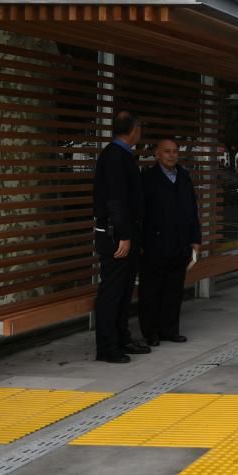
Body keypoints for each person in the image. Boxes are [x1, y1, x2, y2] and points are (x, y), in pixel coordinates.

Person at [93, 111, 151, 363]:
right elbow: (115, 201)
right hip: (115, 236)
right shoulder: (115, 157)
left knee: (125, 289)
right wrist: (125, 236)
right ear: (134, 130)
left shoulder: (121, 155)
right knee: (113, 291)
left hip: (125, 233)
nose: (141, 132)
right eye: (140, 127)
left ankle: (121, 337)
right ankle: (107, 347)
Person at [139, 137, 201, 345]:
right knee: (152, 290)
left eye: (175, 151)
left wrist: (195, 239)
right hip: (155, 244)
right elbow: (141, 213)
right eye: (167, 151)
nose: (172, 155)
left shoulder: (184, 177)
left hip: (180, 243)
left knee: (174, 290)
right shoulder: (148, 179)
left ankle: (170, 330)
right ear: (157, 154)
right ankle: (151, 332)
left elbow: (193, 210)